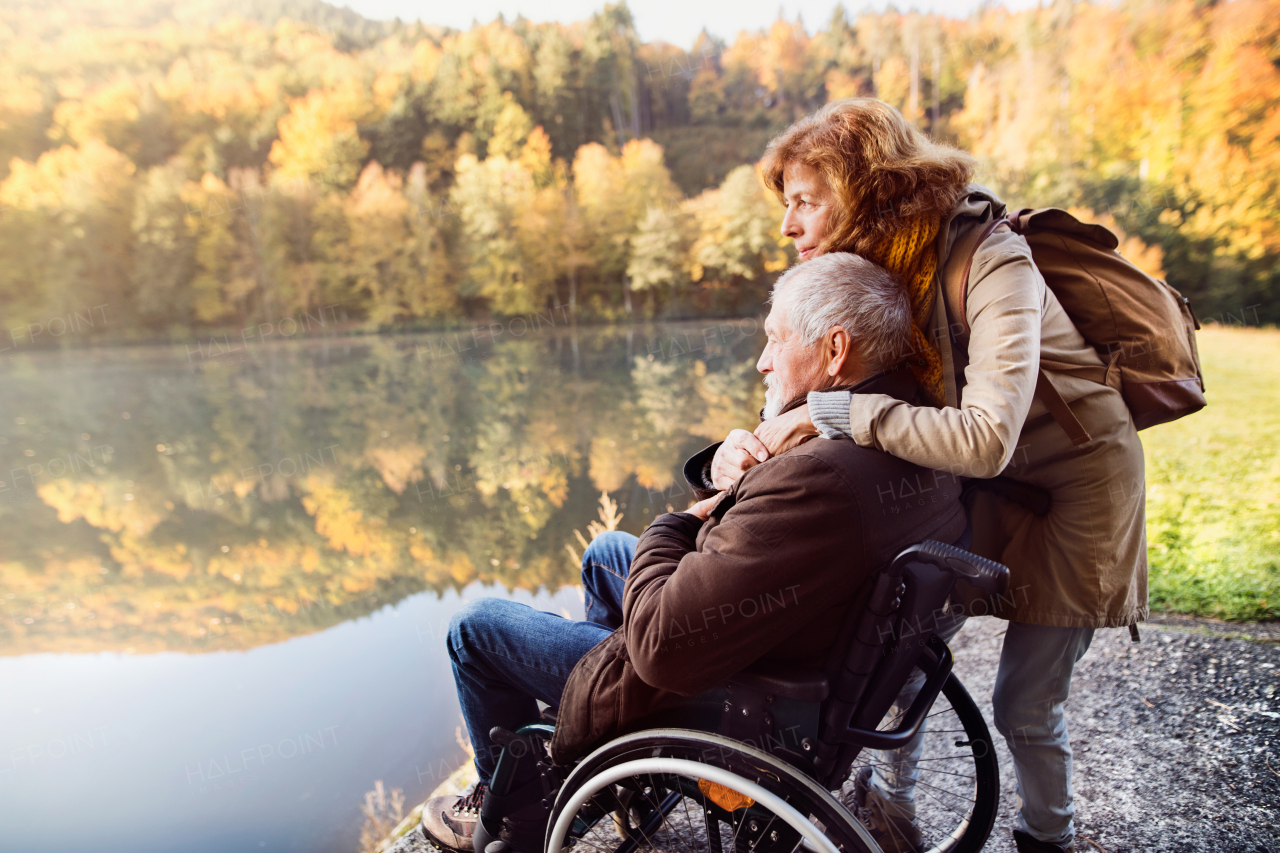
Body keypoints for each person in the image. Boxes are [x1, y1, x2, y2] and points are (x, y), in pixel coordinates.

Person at [701, 98, 1147, 853]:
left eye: (806, 201)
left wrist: (841, 413)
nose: (788, 224)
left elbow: (985, 437)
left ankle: (1050, 837)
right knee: (901, 648)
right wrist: (738, 450)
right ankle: (890, 814)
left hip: (1075, 491)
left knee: (1024, 703)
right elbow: (799, 385)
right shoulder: (873, 272)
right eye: (789, 204)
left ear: (868, 191)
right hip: (979, 484)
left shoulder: (992, 260)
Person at [419, 252, 968, 853]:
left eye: (775, 341)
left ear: (835, 351)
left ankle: (517, 817)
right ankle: (592, 770)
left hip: (734, 696)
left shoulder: (821, 480)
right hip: (788, 646)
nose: (762, 360)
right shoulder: (906, 429)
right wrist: (725, 468)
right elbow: (762, 525)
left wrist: (671, 526)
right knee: (605, 553)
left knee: (473, 630)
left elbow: (660, 649)